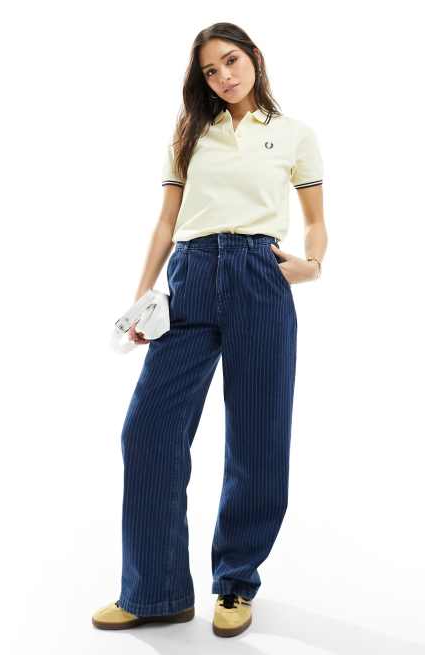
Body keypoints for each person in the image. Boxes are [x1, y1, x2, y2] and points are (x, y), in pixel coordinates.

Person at [92, 21, 327, 638]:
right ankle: (155, 591)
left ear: (254, 57)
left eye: (231, 61)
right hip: (191, 276)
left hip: (259, 275)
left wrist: (311, 264)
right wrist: (142, 298)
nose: (224, 76)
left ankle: (236, 583)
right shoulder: (189, 134)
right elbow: (166, 221)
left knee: (258, 438)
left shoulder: (293, 135)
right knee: (148, 431)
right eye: (211, 71)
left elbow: (315, 220)